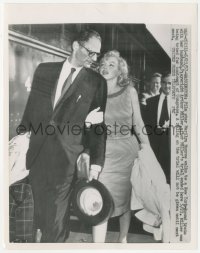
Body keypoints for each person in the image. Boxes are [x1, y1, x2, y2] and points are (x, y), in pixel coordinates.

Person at [18, 29, 107, 242]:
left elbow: (98, 126)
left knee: (57, 220)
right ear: (76, 46)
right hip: (37, 155)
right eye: (91, 52)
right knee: (37, 215)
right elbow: (32, 108)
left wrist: (96, 163)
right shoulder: (45, 71)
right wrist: (20, 138)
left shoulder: (96, 82)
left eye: (97, 55)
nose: (94, 59)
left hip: (67, 159)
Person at [92, 50, 150, 243]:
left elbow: (138, 123)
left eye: (111, 65)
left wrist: (147, 148)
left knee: (125, 199)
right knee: (100, 199)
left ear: (120, 71)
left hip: (127, 152)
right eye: (103, 64)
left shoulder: (130, 92)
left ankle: (122, 240)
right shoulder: (93, 91)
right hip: (103, 154)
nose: (105, 67)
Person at [144, 72, 171, 184]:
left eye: (170, 83)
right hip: (155, 147)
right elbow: (146, 125)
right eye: (164, 83)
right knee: (156, 179)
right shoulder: (151, 102)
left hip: (171, 146)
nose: (166, 86)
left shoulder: (180, 103)